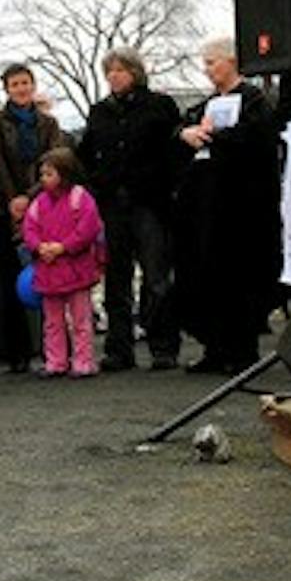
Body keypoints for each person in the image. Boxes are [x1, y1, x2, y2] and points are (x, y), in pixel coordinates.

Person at [171, 37, 281, 374]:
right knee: (207, 274)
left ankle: (242, 349)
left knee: (241, 277)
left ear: (231, 61)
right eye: (204, 63)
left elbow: (257, 140)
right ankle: (214, 347)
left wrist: (215, 137)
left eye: (211, 62)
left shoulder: (255, 101)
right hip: (206, 206)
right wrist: (184, 135)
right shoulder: (205, 104)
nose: (207, 70)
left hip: (243, 208)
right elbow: (182, 133)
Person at [78, 48, 182, 370]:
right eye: (109, 71)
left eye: (119, 70)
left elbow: (174, 151)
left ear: (134, 73)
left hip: (149, 201)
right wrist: (96, 185)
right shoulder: (98, 113)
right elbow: (86, 153)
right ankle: (119, 348)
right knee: (116, 278)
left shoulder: (160, 107)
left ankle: (163, 345)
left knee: (156, 276)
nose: (113, 76)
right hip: (112, 203)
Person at [0, 63, 66, 372]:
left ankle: (52, 350)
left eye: (26, 83)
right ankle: (16, 352)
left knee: (49, 277)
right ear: (7, 89)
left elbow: (55, 161)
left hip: (44, 206)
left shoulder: (49, 124)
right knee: (10, 279)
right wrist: (12, 198)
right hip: (5, 208)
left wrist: (30, 196)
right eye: (15, 84)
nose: (21, 89)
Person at [22, 147, 105, 378]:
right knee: (53, 321)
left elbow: (88, 228)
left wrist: (62, 247)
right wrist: (39, 246)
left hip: (72, 268)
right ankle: (55, 361)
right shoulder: (39, 202)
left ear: (64, 174)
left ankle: (83, 361)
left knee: (80, 319)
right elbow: (29, 228)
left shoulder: (80, 198)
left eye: (49, 174)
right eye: (42, 174)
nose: (44, 179)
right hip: (51, 269)